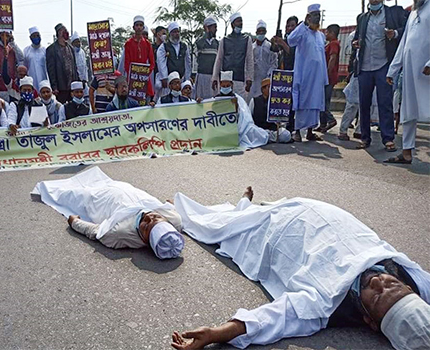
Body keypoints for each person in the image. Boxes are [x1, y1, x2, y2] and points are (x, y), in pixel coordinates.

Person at [170, 190, 430, 350]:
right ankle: (244, 206)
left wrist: (219, 333)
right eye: (392, 284)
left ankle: (192, 211)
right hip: (310, 207)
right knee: (247, 215)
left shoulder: (325, 305)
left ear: (370, 322)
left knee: (221, 227)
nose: (378, 282)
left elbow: (277, 317)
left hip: (278, 230)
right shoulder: (415, 278)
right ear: (408, 288)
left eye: (377, 296)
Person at [32, 167, 185, 259]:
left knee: (71, 194)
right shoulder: (174, 221)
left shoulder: (120, 235)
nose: (149, 217)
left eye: (146, 226)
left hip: (103, 200)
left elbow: (95, 232)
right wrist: (167, 205)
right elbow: (170, 209)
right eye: (156, 217)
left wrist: (74, 223)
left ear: (145, 240)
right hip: (129, 191)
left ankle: (50, 190)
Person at [353, 0, 408, 151]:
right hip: (364, 66)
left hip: (383, 65)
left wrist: (395, 33)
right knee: (364, 104)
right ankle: (365, 137)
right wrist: (355, 43)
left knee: (385, 102)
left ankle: (388, 139)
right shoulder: (362, 18)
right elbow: (356, 37)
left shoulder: (394, 12)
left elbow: (408, 29)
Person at [385, 0, 430, 164]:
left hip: (427, 71)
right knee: (408, 111)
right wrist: (393, 69)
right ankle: (406, 153)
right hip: (411, 71)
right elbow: (404, 44)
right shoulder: (413, 13)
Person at [217, 72, 291, 148]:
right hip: (228, 128)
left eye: (228, 86)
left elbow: (246, 119)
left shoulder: (238, 99)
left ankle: (269, 136)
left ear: (232, 85)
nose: (226, 88)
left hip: (261, 130)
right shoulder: (255, 101)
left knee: (285, 135)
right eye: (224, 86)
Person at [287, 4, 327, 142]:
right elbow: (290, 40)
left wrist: (324, 78)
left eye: (319, 15)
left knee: (315, 104)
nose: (317, 18)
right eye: (314, 15)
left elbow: (322, 58)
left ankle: (310, 132)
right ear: (308, 17)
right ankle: (297, 132)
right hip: (304, 76)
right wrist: (303, 24)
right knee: (302, 103)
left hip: (317, 77)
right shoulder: (302, 32)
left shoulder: (321, 36)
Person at [212, 13, 254, 103]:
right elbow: (219, 59)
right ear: (232, 24)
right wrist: (215, 78)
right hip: (226, 81)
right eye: (238, 21)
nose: (241, 23)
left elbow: (250, 60)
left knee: (240, 104)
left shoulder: (247, 39)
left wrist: (249, 79)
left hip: (240, 79)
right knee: (225, 105)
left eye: (241, 21)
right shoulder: (224, 40)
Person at [271, 16, 299, 132]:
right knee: (282, 100)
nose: (290, 28)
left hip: (294, 74)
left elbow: (292, 54)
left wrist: (282, 43)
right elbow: (274, 50)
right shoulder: (286, 40)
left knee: (292, 101)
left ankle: (291, 126)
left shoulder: (298, 40)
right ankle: (281, 123)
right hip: (283, 74)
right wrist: (275, 42)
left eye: (292, 26)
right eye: (288, 26)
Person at [124, 16, 157, 102]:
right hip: (132, 78)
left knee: (146, 101)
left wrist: (144, 73)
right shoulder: (128, 43)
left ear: (143, 27)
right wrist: (133, 75)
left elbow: (152, 63)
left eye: (141, 25)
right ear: (133, 27)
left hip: (144, 78)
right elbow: (126, 64)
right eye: (137, 25)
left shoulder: (147, 44)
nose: (139, 27)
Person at [0, 31, 24, 102]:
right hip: (0, 88)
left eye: (8, 35)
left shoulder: (12, 48)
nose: (6, 37)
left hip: (13, 89)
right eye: (4, 35)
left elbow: (21, 58)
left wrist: (13, 43)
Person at [46, 23, 79, 104]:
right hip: (61, 87)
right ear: (59, 33)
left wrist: (78, 81)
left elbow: (74, 66)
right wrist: (54, 87)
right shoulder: (51, 49)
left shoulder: (70, 48)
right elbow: (51, 70)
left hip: (72, 86)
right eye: (64, 31)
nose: (66, 33)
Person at [157, 22, 191, 97]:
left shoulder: (184, 46)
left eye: (178, 31)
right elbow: (161, 62)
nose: (176, 34)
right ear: (170, 33)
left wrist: (187, 78)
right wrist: (164, 77)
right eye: (174, 32)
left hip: (181, 80)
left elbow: (187, 63)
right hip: (169, 81)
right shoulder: (164, 46)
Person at [318, 24, 340, 133]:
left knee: (323, 101)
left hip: (328, 78)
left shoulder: (334, 44)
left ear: (332, 33)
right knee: (322, 100)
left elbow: (332, 58)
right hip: (327, 77)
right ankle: (322, 124)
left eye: (327, 32)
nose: (325, 34)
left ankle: (331, 120)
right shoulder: (330, 44)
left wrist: (326, 73)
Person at [251, 20, 278, 100]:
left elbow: (274, 63)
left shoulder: (269, 47)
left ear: (266, 32)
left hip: (266, 79)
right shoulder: (252, 47)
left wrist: (269, 75)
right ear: (256, 32)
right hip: (254, 80)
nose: (261, 33)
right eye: (259, 31)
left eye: (263, 31)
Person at [194, 16, 219, 100]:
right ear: (207, 28)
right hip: (202, 77)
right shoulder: (199, 42)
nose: (216, 29)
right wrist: (206, 34)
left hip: (213, 77)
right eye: (214, 27)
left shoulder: (217, 43)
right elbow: (199, 46)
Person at [23, 26, 49, 91]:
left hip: (44, 80)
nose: (36, 37)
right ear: (30, 38)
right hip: (31, 80)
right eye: (34, 36)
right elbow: (24, 67)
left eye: (38, 35)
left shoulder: (45, 50)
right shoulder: (26, 50)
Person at [71, 32, 89, 98]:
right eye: (76, 42)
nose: (78, 44)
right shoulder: (71, 53)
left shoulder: (82, 52)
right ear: (72, 43)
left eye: (78, 42)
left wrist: (85, 80)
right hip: (75, 81)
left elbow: (85, 67)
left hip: (84, 81)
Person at [152, 25, 167, 99]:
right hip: (153, 75)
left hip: (164, 76)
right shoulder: (152, 47)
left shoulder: (167, 47)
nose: (165, 36)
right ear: (158, 34)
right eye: (163, 33)